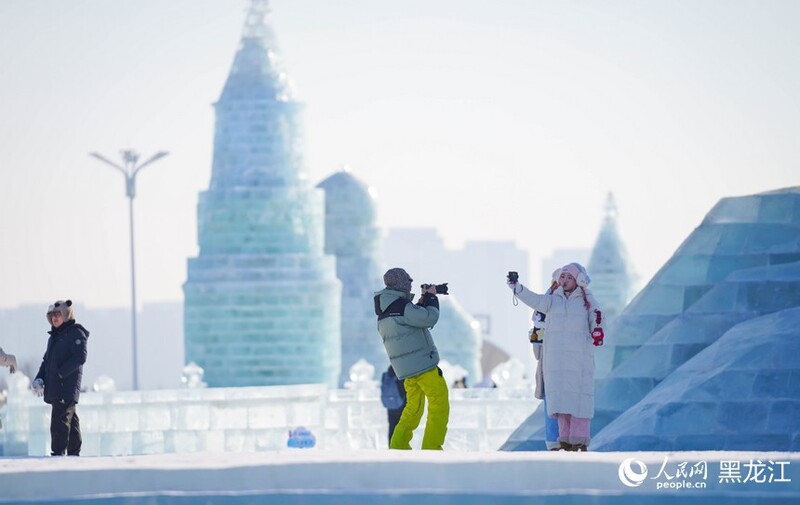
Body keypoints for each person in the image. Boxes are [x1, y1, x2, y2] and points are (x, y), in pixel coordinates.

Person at [508, 263, 603, 451]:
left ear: (579, 280)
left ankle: (579, 441)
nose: (564, 281)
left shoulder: (587, 301)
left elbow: (598, 318)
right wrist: (517, 288)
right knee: (560, 402)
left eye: (569, 278)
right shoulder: (552, 300)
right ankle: (565, 441)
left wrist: (598, 331)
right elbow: (535, 300)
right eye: (562, 277)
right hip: (556, 361)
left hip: (579, 360)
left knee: (578, 401)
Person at [374, 267, 449, 450]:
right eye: (409, 280)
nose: (411, 284)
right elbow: (430, 318)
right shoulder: (402, 307)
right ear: (401, 283)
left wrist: (421, 301)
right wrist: (431, 298)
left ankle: (398, 446)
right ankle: (432, 448)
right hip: (424, 366)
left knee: (412, 409)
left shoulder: (386, 308)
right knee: (439, 403)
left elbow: (411, 321)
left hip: (406, 370)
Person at [32, 300, 89, 456]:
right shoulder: (54, 337)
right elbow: (46, 362)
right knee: (70, 418)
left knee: (59, 420)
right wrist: (39, 378)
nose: (54, 318)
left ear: (66, 315)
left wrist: (60, 374)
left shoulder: (75, 333)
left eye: (58, 314)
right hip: (57, 386)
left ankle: (58, 454)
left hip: (66, 386)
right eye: (51, 315)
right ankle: (73, 453)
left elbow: (80, 357)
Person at [529, 270, 560, 450]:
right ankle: (556, 442)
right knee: (554, 405)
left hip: (549, 362)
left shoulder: (542, 307)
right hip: (551, 363)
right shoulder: (547, 306)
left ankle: (556, 442)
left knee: (554, 405)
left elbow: (536, 348)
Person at [380, 364, 407, 444]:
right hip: (401, 404)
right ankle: (400, 446)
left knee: (392, 426)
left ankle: (391, 446)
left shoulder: (387, 373)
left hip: (390, 405)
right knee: (401, 427)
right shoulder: (401, 372)